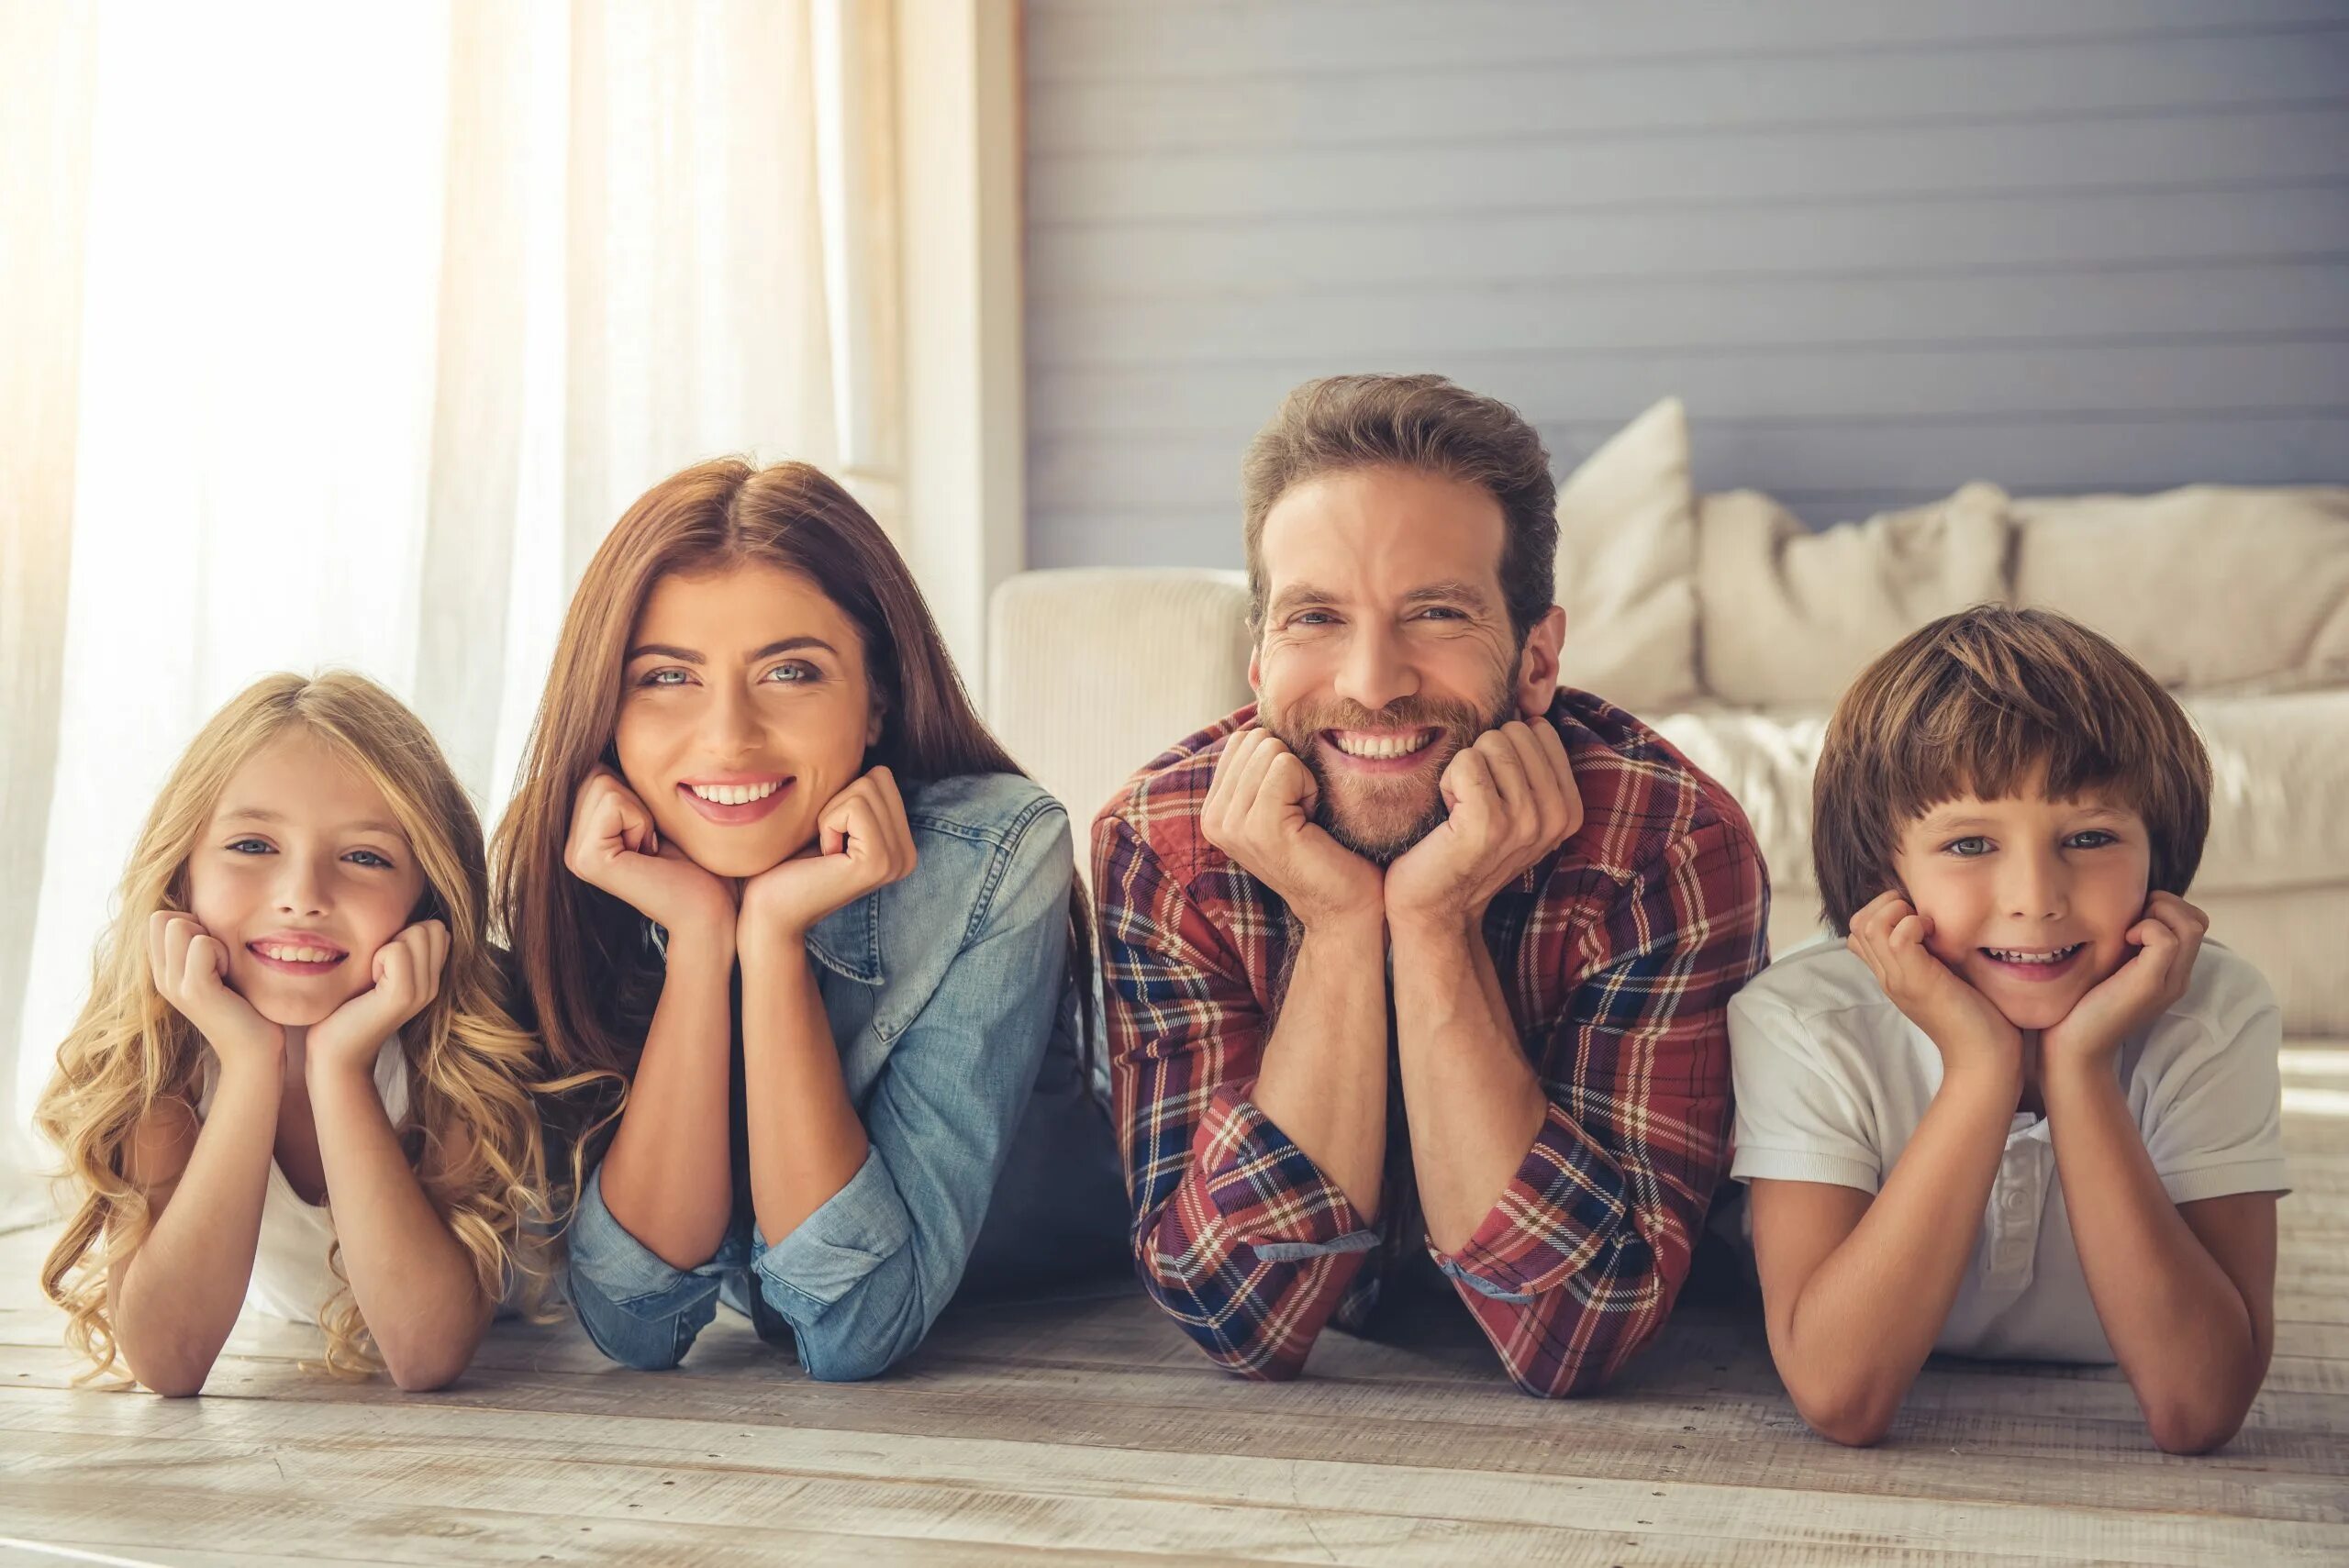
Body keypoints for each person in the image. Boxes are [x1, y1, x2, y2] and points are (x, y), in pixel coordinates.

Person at [1093, 374, 1771, 1396]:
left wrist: (1433, 917)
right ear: (1257, 660)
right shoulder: (1159, 843)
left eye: (1436, 612)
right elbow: (1233, 1304)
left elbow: (1580, 1328)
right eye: (1314, 616)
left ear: (1538, 659)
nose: (1371, 680)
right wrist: (1336, 922)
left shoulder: (1670, 846)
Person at [496, 457, 1125, 1381]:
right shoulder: (606, 867)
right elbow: (634, 1321)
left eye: (790, 670)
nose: (728, 737)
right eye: (668, 677)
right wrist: (706, 938)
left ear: (876, 697)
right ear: (609, 709)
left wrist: (774, 939)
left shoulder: (992, 854)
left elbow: (854, 1327)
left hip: (1070, 1316)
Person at [1731, 606, 2287, 1452]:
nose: (2035, 896)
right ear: (1886, 874)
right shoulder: (1804, 1019)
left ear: (2160, 855)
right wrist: (1981, 1069)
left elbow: (2199, 1405)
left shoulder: (2215, 1013)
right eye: (1969, 845)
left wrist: (2082, 1069)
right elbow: (1839, 1394)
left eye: (2091, 836)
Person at [37, 672, 563, 1394]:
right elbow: (168, 1360)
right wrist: (251, 1061)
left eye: (365, 857)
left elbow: (425, 1352)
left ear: (426, 897)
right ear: (182, 873)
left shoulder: (458, 1045)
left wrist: (339, 1068)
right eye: (253, 845)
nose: (303, 896)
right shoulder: (168, 1057)